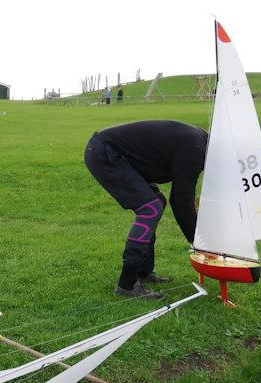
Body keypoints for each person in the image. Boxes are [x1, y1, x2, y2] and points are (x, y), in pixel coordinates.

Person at [84, 120, 208, 299]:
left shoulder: (200, 141)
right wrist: (199, 244)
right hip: (105, 153)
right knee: (150, 208)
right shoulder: (196, 150)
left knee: (158, 201)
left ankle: (143, 272)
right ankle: (127, 284)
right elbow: (182, 203)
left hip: (107, 149)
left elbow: (176, 199)